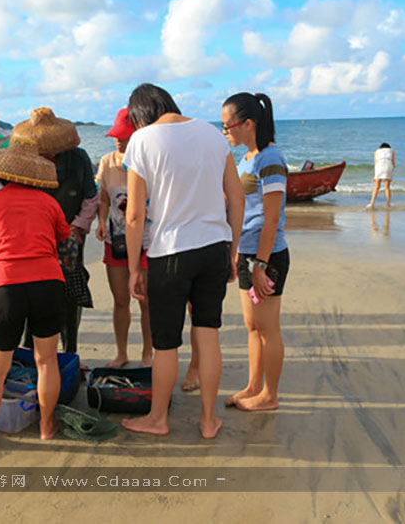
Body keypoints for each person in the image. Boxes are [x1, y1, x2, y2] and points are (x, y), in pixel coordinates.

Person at [120, 83, 244, 439]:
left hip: (170, 251)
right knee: (208, 334)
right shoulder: (212, 134)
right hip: (214, 248)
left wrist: (133, 268)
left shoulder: (142, 141)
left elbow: (134, 216)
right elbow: (236, 198)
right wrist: (232, 251)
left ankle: (158, 418)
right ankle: (208, 420)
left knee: (166, 343)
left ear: (140, 115)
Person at [0, 138, 79, 449]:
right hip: (48, 283)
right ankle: (47, 425)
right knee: (47, 361)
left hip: (5, 285)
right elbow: (70, 250)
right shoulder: (50, 204)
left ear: (2, 175)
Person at [221, 92, 290, 412]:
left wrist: (261, 264)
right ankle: (253, 385)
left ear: (248, 123)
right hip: (248, 253)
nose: (226, 132)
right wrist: (236, 252)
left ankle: (270, 395)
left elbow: (271, 218)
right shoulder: (248, 157)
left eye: (228, 125)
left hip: (268, 256)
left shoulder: (270, 159)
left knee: (268, 327)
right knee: (252, 326)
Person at [10, 107, 99, 354]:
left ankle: (70, 352)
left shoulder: (79, 158)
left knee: (70, 296)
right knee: (33, 296)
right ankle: (30, 354)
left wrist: (80, 226)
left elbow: (91, 197)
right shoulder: (24, 162)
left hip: (71, 236)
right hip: (34, 239)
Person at [95, 108, 152, 368]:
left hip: (147, 241)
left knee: (147, 302)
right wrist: (101, 221)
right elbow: (104, 198)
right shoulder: (107, 162)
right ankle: (121, 353)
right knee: (120, 301)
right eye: (116, 136)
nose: (119, 141)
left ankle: (148, 354)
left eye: (125, 137)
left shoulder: (149, 161)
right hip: (116, 241)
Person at [368, 142, 395, 209]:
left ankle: (372, 203)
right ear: (388, 148)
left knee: (377, 187)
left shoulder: (376, 151)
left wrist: (375, 176)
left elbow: (375, 163)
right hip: (388, 166)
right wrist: (391, 172)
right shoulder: (392, 151)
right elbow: (393, 163)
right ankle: (388, 204)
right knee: (387, 187)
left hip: (379, 167)